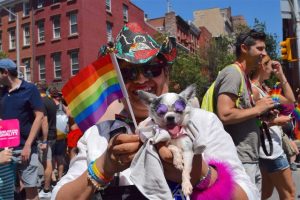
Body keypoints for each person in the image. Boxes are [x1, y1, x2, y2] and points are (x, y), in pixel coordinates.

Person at [52, 22, 258, 200]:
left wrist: (202, 177)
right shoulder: (98, 136)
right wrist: (103, 168)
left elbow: (249, 195)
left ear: (166, 73)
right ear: (118, 81)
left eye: (153, 68)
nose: (141, 79)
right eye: (128, 72)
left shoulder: (204, 123)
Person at [213, 29, 275, 192]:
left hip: (248, 157)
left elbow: (241, 113)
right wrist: (258, 109)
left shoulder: (243, 76)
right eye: (260, 48)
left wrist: (262, 113)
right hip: (238, 158)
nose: (264, 53)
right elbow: (225, 114)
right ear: (244, 48)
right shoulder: (233, 73)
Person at [250, 55, 296, 199]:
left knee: (265, 193)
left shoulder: (264, 89)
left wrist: (281, 76)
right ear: (262, 66)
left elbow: (290, 100)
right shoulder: (254, 90)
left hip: (268, 148)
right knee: (289, 193)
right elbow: (251, 121)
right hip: (270, 150)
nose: (272, 69)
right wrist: (276, 121)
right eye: (270, 65)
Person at [0, 58, 44, 200]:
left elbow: (39, 116)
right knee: (6, 189)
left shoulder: (30, 89)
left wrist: (28, 145)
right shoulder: (1, 92)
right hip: (5, 151)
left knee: (31, 190)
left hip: (26, 149)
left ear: (5, 72)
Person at [36, 81, 58, 198]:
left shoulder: (41, 102)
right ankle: (46, 187)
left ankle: (46, 189)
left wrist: (43, 140)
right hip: (52, 135)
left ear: (38, 89)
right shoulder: (51, 101)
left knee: (46, 163)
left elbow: (43, 120)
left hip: (45, 137)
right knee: (48, 162)